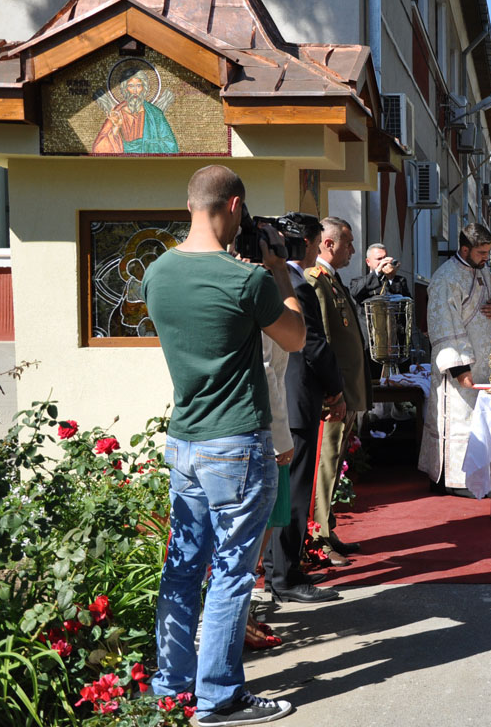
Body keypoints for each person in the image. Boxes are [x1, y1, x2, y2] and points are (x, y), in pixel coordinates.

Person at [143, 164, 304, 725]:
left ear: (192, 205)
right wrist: (277, 271)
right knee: (231, 573)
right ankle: (219, 698)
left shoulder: (157, 273)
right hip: (236, 442)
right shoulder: (249, 279)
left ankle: (170, 685)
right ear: (234, 206)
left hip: (184, 439)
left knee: (183, 566)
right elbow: (297, 336)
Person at [263, 218, 346, 604]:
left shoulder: (280, 279)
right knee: (293, 494)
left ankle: (277, 569)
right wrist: (336, 391)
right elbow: (313, 345)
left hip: (286, 399)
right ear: (311, 243)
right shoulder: (295, 283)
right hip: (295, 400)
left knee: (283, 492)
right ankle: (286, 575)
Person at [417, 223, 491, 493]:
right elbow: (444, 324)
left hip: (486, 364)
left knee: (483, 420)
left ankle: (487, 476)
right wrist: (460, 368)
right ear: (464, 249)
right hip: (460, 369)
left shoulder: (484, 273)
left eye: (488, 252)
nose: (485, 257)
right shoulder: (445, 278)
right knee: (462, 421)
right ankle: (459, 480)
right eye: (481, 252)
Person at [305, 216, 370, 560]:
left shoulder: (332, 280)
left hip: (345, 392)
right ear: (328, 244)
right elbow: (324, 343)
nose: (353, 250)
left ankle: (327, 529)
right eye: (348, 243)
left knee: (335, 463)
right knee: (325, 465)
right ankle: (318, 539)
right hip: (334, 396)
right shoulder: (316, 281)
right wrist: (334, 394)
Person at [92, 70, 179, 154]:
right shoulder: (117, 113)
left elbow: (171, 146)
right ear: (125, 89)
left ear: (144, 88)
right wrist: (115, 129)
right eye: (131, 86)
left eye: (138, 86)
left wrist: (148, 144)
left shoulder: (155, 114)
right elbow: (99, 148)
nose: (135, 91)